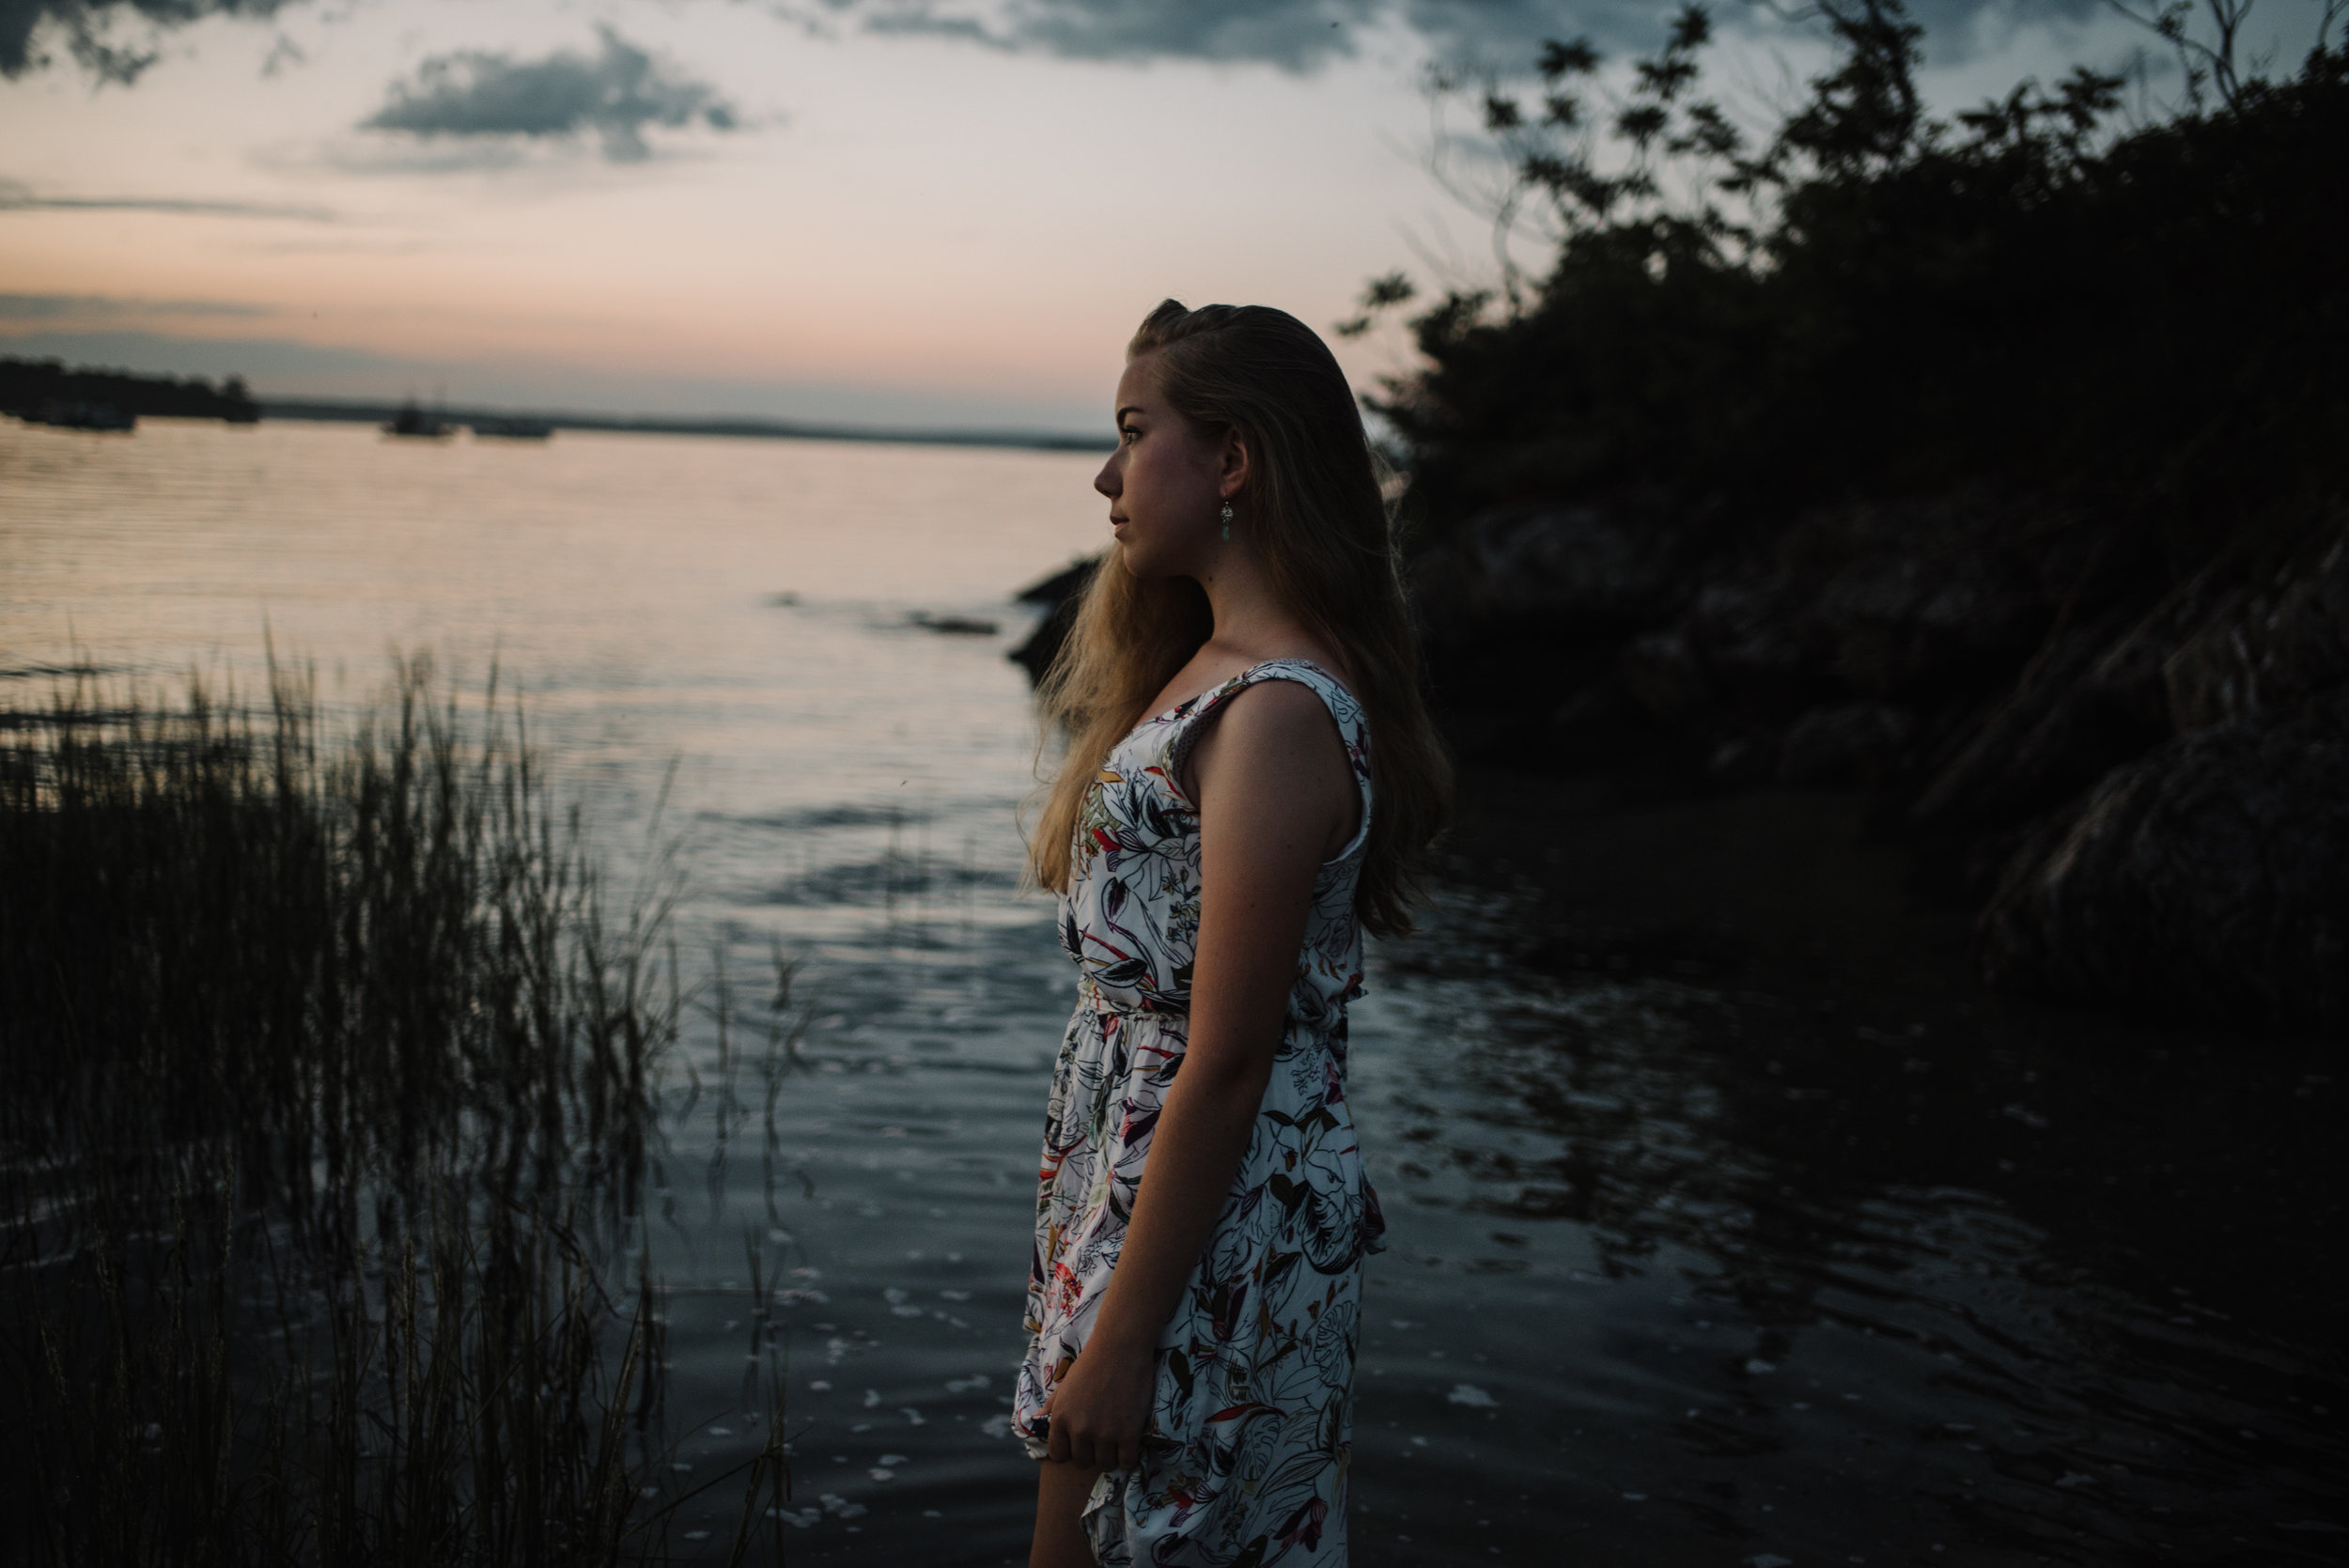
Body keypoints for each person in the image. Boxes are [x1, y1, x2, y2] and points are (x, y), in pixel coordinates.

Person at [1015, 300, 1453, 1567]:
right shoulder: (1212, 669)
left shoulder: (1273, 713)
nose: (1106, 474)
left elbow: (1229, 1055)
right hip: (1137, 1182)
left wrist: (1128, 1334)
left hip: (1205, 1219)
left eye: (1134, 431)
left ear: (1235, 460)